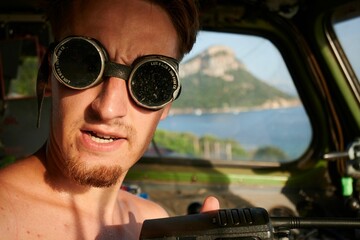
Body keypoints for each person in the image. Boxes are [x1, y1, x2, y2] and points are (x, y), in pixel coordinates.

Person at [0, 0, 219, 239]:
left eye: (151, 80)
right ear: (48, 75)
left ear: (167, 103)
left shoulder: (155, 222)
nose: (108, 108)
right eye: (83, 63)